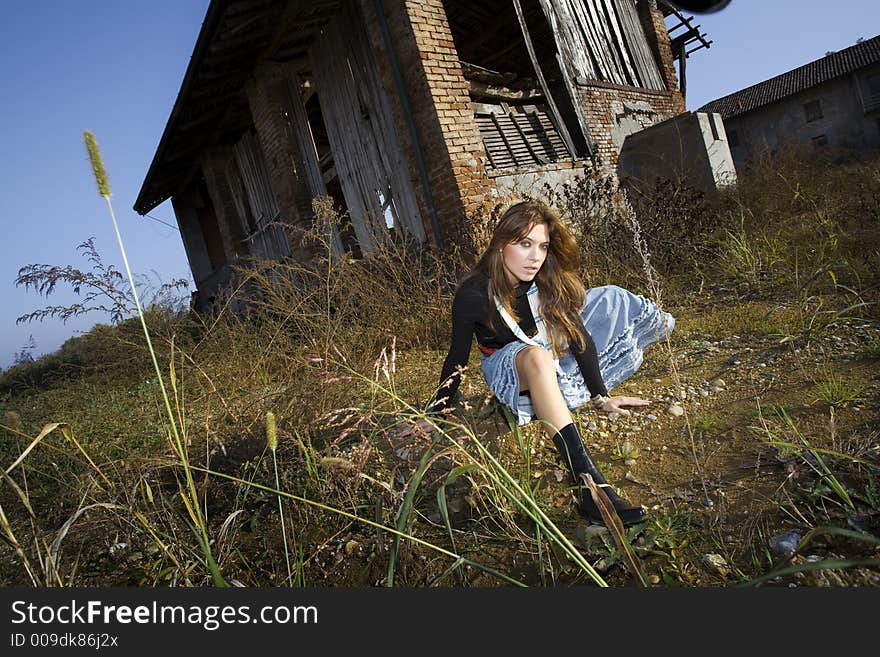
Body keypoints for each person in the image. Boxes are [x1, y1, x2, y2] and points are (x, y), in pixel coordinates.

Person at [426, 200, 674, 527]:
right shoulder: (473, 293)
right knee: (537, 357)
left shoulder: (546, 280)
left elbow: (577, 336)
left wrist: (602, 397)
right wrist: (434, 412)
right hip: (509, 366)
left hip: (546, 352)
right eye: (524, 244)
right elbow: (456, 358)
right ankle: (592, 487)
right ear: (501, 244)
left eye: (542, 246)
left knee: (607, 300)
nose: (535, 256)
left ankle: (588, 488)